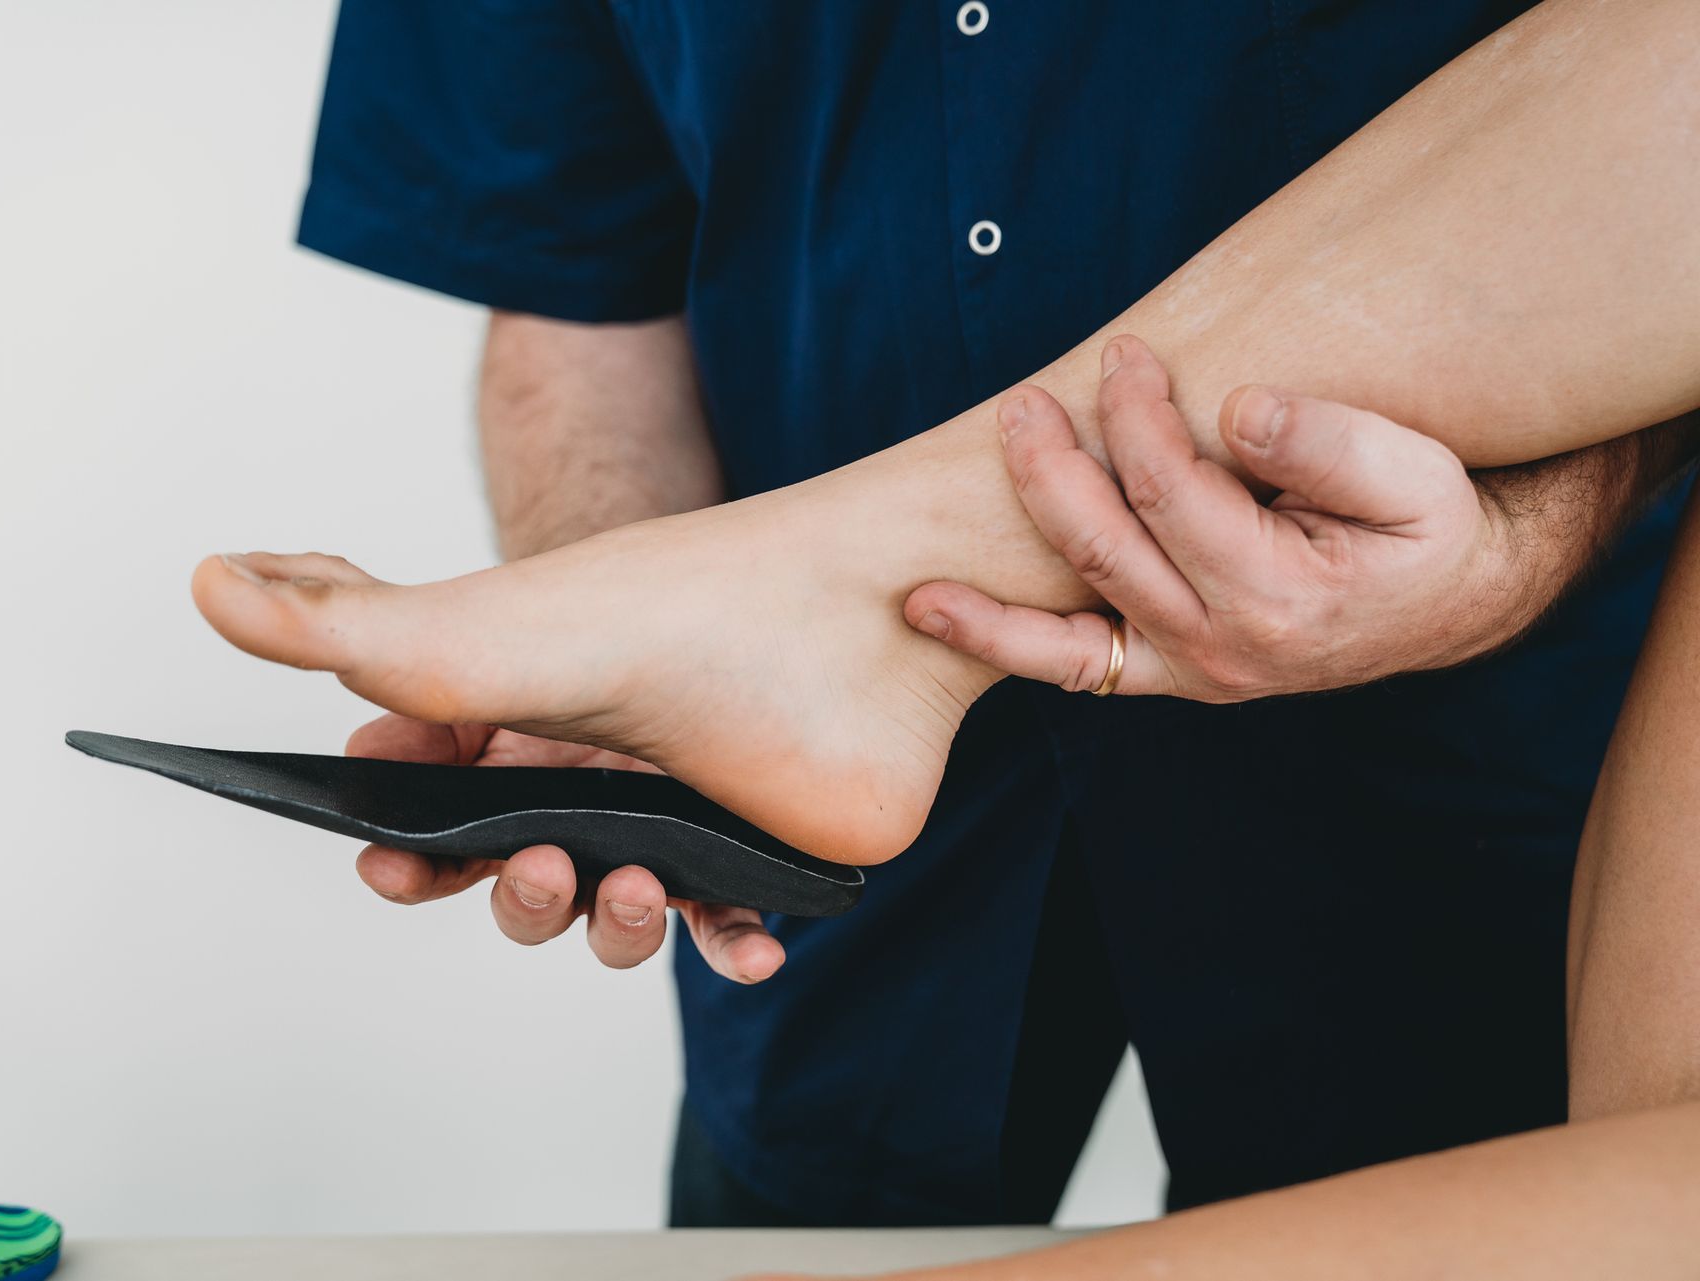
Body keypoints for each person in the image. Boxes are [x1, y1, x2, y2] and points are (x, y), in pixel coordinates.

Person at [203, 0, 1700, 1228]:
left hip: (1451, 776)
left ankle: (812, 603)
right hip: (815, 853)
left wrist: (1520, 542)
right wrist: (635, 638)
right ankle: (784, 620)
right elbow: (577, 272)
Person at [737, 352, 1700, 1276]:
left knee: (1418, 1173)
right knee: (790, 1195)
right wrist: (654, 622)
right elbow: (603, 269)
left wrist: (1516, 540)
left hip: (1424, 790)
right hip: (827, 810)